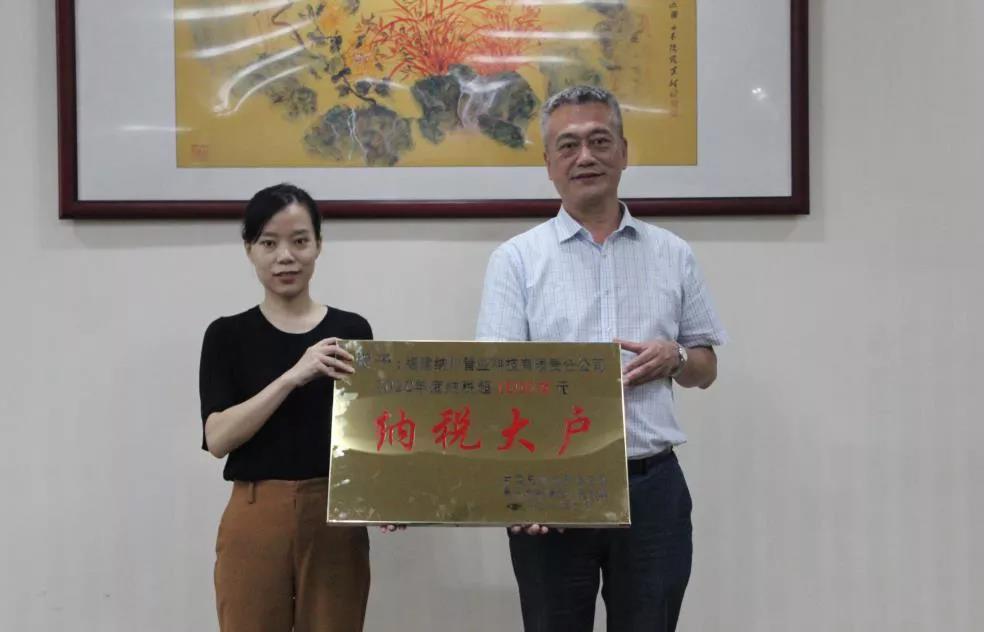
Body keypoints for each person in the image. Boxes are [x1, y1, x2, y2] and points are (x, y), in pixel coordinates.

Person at [476, 86, 728, 632]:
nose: (585, 156)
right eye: (568, 146)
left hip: (651, 488)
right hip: (551, 486)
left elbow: (705, 369)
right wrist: (519, 489)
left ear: (624, 152)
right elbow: (495, 387)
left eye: (599, 141)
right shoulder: (516, 261)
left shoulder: (672, 253)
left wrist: (676, 357)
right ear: (549, 163)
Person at [199, 183, 375, 632]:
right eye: (269, 243)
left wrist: (388, 496)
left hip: (334, 513)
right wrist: (293, 376)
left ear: (318, 245)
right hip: (255, 512)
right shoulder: (226, 335)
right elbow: (217, 438)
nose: (286, 257)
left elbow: (370, 432)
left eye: (299, 241)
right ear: (249, 249)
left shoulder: (350, 330)